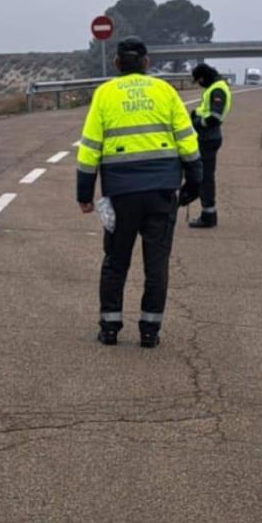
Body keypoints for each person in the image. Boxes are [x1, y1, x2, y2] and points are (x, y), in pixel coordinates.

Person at [76, 37, 202, 348]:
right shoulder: (165, 91)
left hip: (121, 196)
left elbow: (90, 147)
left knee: (116, 261)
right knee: (156, 265)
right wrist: (194, 182)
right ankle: (149, 331)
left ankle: (109, 328)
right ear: (147, 63)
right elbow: (187, 140)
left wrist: (84, 192)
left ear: (117, 63)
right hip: (161, 193)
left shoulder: (105, 94)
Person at [187, 63, 231, 229]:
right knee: (203, 175)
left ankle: (208, 215)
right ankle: (207, 212)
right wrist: (197, 113)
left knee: (205, 177)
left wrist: (198, 122)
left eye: (199, 80)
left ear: (204, 77)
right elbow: (207, 111)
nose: (199, 83)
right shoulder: (214, 87)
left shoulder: (217, 90)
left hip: (208, 138)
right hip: (207, 138)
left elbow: (214, 118)